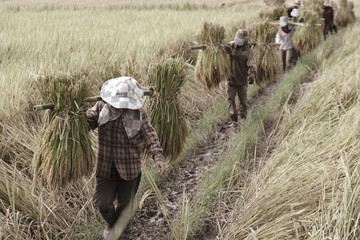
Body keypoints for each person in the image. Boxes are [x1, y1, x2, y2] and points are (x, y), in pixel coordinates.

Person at [86, 76, 166, 239]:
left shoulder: (139, 113)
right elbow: (87, 122)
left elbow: (150, 135)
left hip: (129, 169)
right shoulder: (102, 107)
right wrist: (72, 116)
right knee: (103, 204)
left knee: (125, 206)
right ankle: (114, 226)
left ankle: (121, 233)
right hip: (105, 167)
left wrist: (157, 156)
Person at [223, 29, 257, 122]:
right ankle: (234, 120)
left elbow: (252, 63)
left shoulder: (248, 51)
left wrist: (252, 74)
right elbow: (220, 49)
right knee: (230, 99)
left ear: (245, 40)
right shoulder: (229, 47)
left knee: (243, 102)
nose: (238, 43)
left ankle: (244, 118)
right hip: (230, 79)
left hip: (242, 80)